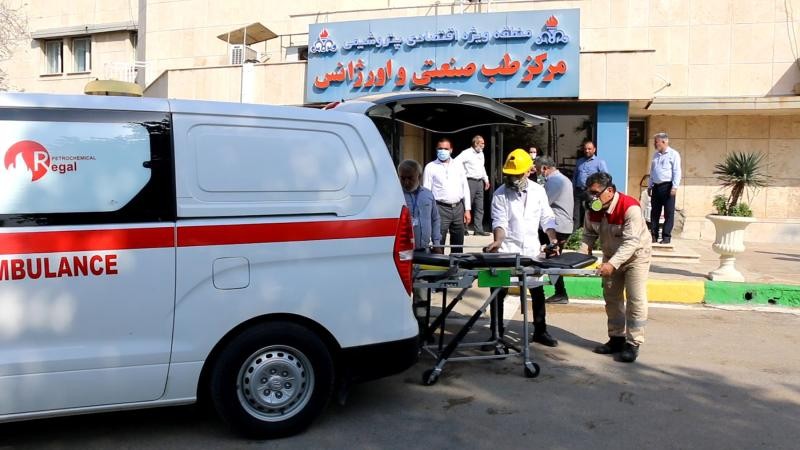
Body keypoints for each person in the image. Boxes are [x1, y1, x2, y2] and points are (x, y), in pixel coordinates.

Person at [484, 149, 561, 347]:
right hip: (506, 250)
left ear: (529, 171)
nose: (513, 179)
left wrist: (552, 239)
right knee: (498, 292)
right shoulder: (500, 194)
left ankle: (540, 331)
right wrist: (498, 241)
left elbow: (547, 217)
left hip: (531, 249)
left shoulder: (538, 191)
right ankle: (496, 333)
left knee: (536, 291)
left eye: (517, 175)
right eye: (510, 175)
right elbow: (500, 221)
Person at [580, 172, 652, 363]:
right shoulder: (592, 209)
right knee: (611, 298)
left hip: (636, 257)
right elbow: (588, 235)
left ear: (610, 191)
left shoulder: (629, 207)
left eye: (596, 193)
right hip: (611, 256)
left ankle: (633, 343)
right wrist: (581, 257)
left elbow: (631, 242)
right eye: (590, 192)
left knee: (636, 299)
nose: (592, 197)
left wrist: (612, 264)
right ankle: (616, 338)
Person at [535, 155, 574, 304]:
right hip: (561, 225)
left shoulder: (555, 181)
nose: (537, 174)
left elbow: (541, 203)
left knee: (550, 259)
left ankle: (559, 292)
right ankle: (559, 292)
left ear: (544, 168)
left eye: (538, 170)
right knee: (552, 259)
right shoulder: (561, 179)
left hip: (556, 226)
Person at [423, 137, 471, 253]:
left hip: (458, 208)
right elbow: (426, 191)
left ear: (451, 150)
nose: (443, 151)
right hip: (440, 209)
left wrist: (467, 210)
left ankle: (456, 264)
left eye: (446, 149)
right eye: (440, 148)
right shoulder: (430, 167)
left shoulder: (458, 165)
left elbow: (465, 188)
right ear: (436, 149)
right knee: (438, 244)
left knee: (458, 245)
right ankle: (439, 264)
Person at [398, 159, 441, 252]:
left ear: (419, 176)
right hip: (403, 251)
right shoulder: (396, 196)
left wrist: (436, 243)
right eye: (403, 178)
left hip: (425, 249)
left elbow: (435, 219)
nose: (406, 182)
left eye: (410, 178)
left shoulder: (428, 194)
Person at [648, 132, 682, 244]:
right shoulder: (655, 155)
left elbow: (677, 171)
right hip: (656, 187)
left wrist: (675, 187)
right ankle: (654, 236)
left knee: (668, 213)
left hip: (668, 186)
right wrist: (650, 185)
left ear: (663, 142)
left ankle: (666, 237)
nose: (654, 144)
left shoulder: (673, 154)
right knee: (654, 212)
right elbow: (652, 171)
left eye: (656, 142)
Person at [455, 135, 491, 236]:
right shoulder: (466, 153)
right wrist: (462, 175)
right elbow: (456, 162)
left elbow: (482, 167)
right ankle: (463, 228)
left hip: (479, 182)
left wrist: (486, 180)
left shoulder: (481, 153)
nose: (483, 145)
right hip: (469, 181)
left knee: (480, 206)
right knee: (467, 205)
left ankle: (478, 229)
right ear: (476, 143)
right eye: (482, 143)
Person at [572, 139, 608, 230]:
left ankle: (592, 232)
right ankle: (576, 233)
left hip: (592, 193)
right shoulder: (579, 161)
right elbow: (575, 176)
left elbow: (605, 178)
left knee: (592, 213)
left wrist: (600, 192)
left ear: (594, 149)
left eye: (589, 149)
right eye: (585, 149)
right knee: (576, 215)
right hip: (578, 191)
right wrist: (573, 189)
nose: (587, 151)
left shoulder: (600, 162)